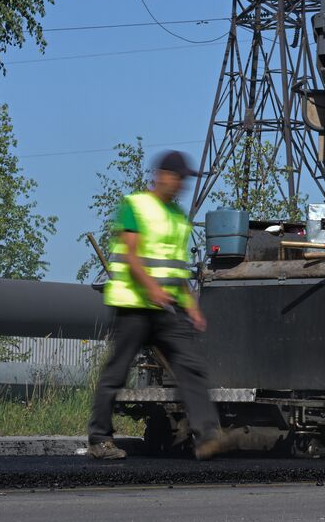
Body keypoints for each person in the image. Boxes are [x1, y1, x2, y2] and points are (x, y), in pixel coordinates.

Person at [87, 150, 232, 461]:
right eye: (178, 178)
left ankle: (207, 435)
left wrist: (191, 304)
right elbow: (131, 255)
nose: (181, 185)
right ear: (162, 176)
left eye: (184, 180)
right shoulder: (135, 206)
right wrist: (152, 289)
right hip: (134, 306)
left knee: (191, 367)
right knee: (117, 370)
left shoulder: (178, 217)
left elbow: (176, 267)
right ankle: (100, 439)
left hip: (167, 310)